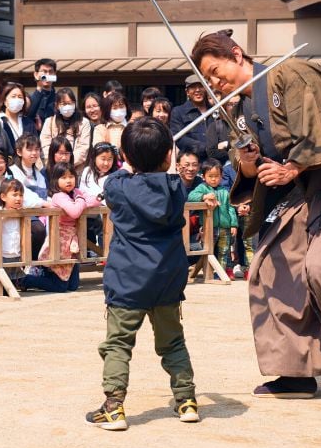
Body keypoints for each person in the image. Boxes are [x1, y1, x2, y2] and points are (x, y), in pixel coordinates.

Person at [193, 28, 321, 401]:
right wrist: (248, 164)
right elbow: (244, 166)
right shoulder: (240, 112)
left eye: (216, 70)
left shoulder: (290, 73)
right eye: (208, 78)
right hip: (302, 190)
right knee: (269, 266)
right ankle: (296, 369)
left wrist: (291, 168)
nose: (215, 82)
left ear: (237, 54)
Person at [86, 117, 197, 430]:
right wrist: (164, 160)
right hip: (167, 279)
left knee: (118, 344)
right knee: (173, 342)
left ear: (127, 156)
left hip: (128, 280)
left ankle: (113, 407)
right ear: (168, 156)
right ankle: (186, 399)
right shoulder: (177, 188)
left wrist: (132, 161)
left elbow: (122, 172)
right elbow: (167, 176)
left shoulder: (116, 186)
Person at [19, 163, 97, 293]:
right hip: (59, 240)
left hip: (72, 240)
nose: (68, 180)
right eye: (64, 177)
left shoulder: (76, 193)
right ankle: (25, 280)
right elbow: (74, 212)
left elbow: (95, 201)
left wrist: (79, 199)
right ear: (56, 180)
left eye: (71, 176)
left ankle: (43, 274)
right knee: (60, 287)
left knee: (73, 286)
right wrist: (81, 200)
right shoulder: (58, 196)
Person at [0, 178, 44, 284]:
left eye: (21, 195)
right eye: (14, 195)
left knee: (17, 282)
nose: (18, 198)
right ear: (3, 197)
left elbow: (35, 204)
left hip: (16, 258)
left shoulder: (21, 213)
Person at [187, 158, 240, 278]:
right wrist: (204, 196)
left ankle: (220, 273)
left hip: (225, 227)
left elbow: (230, 208)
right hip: (208, 227)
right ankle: (208, 272)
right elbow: (191, 197)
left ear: (221, 176)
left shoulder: (225, 191)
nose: (214, 179)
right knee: (208, 250)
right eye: (210, 176)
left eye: (217, 176)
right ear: (203, 176)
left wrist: (233, 224)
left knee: (224, 251)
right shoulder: (202, 188)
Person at [40, 88, 91, 171]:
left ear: (75, 104)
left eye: (70, 103)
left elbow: (83, 148)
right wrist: (56, 163)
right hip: (53, 169)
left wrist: (68, 164)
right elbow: (45, 146)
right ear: (57, 105)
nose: (67, 106)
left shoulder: (84, 122)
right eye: (63, 104)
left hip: (75, 169)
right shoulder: (49, 122)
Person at [169, 74, 210, 159]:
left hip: (216, 161)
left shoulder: (215, 110)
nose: (197, 90)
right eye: (193, 87)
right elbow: (179, 138)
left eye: (201, 86)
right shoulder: (178, 112)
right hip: (191, 160)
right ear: (187, 92)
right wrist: (206, 148)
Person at [0, 81, 34, 158]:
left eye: (20, 97)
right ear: (4, 100)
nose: (17, 99)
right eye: (13, 96)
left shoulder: (28, 122)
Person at [28, 58, 58, 129]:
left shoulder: (58, 99)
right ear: (36, 74)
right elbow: (28, 116)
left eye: (51, 72)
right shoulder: (29, 99)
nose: (47, 75)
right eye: (44, 72)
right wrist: (39, 89)